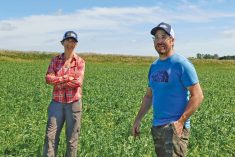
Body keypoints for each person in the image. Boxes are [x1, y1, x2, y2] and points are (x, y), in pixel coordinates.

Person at [132, 22, 204, 157]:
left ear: (172, 40)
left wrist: (181, 122)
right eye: (156, 38)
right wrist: (138, 120)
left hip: (175, 128)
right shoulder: (154, 66)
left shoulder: (181, 64)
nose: (159, 41)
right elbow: (149, 96)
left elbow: (198, 96)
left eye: (163, 37)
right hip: (157, 127)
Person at [43, 31, 85, 157]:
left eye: (73, 41)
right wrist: (66, 78)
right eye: (68, 40)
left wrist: (58, 81)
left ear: (76, 44)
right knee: (50, 136)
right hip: (57, 103)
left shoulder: (80, 62)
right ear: (63, 42)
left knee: (72, 139)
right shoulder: (55, 60)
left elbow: (77, 82)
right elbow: (48, 78)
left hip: (74, 103)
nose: (70, 43)